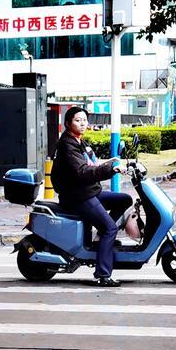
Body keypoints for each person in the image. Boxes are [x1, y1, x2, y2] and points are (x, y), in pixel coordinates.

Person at [52, 106, 131, 288]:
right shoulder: (67, 145)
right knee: (110, 228)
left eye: (84, 120)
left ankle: (102, 238)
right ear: (67, 123)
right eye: (77, 120)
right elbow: (82, 172)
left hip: (88, 191)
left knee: (125, 200)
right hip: (78, 195)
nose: (82, 124)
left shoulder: (79, 142)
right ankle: (102, 275)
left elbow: (92, 164)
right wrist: (110, 169)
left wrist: (113, 163)